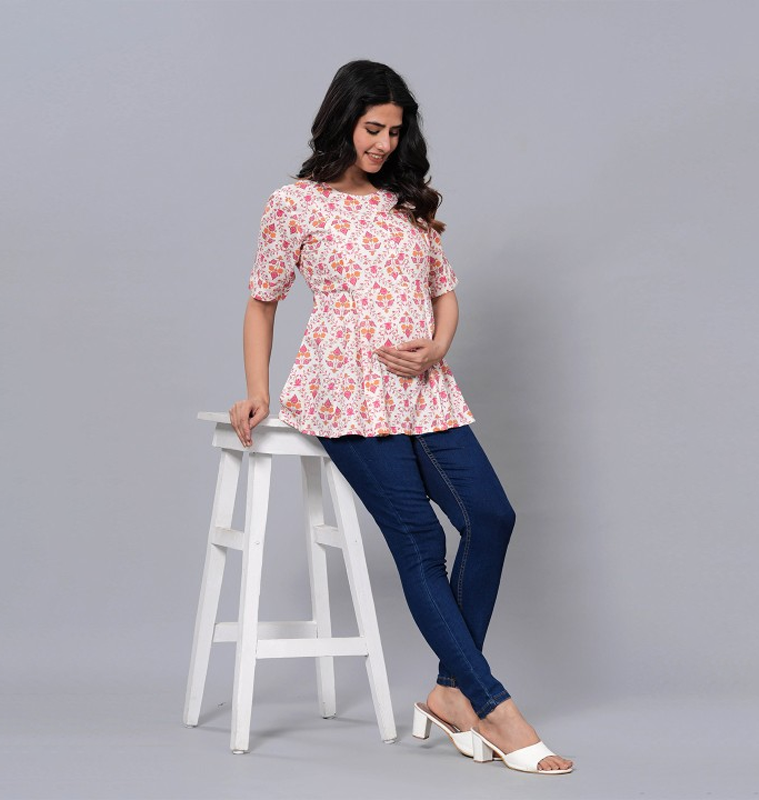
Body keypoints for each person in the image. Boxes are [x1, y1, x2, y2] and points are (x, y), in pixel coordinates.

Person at [228, 60, 573, 775]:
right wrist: (257, 388)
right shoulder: (295, 204)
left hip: (425, 390)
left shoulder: (405, 204)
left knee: (491, 517)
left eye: (394, 130)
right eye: (372, 128)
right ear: (342, 121)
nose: (383, 143)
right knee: (420, 541)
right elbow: (263, 300)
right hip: (345, 392)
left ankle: (449, 693)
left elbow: (444, 292)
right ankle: (494, 707)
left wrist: (439, 345)